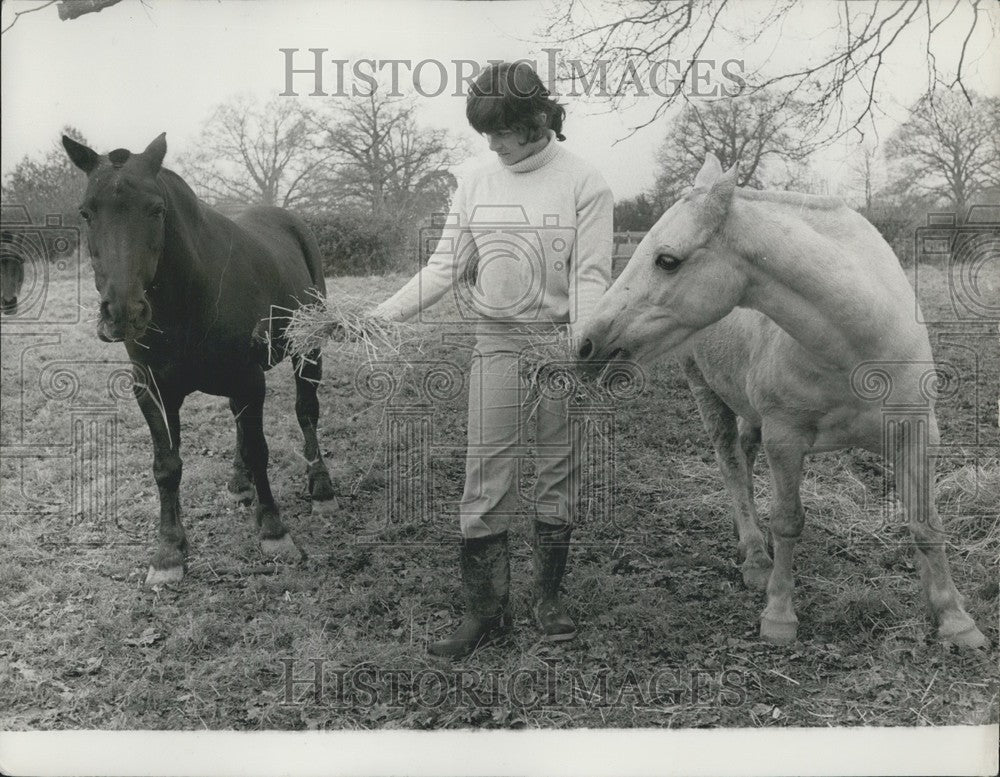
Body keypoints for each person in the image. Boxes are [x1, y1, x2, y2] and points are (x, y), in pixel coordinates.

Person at [372, 61, 614, 658]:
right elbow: (444, 267)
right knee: (486, 474)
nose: (493, 144)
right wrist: (377, 317)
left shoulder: (586, 183)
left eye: (502, 131)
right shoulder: (477, 180)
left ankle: (548, 600)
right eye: (485, 134)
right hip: (499, 342)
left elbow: (588, 279)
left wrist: (580, 352)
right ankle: (485, 611)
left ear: (536, 120)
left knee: (558, 471)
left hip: (558, 347)